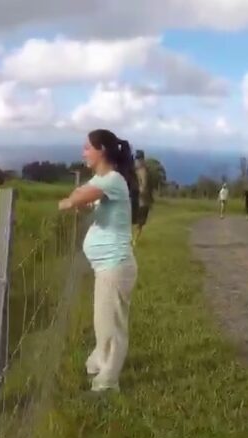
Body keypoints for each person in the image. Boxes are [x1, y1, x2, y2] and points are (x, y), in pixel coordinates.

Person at [58, 129, 138, 393]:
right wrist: (78, 199)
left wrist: (69, 202)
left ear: (101, 150)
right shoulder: (102, 179)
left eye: (87, 147)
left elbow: (80, 196)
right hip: (106, 266)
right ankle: (98, 364)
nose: (83, 152)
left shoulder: (113, 179)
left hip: (115, 265)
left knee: (112, 327)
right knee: (103, 321)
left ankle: (107, 383)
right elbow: (85, 196)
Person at [132, 150, 153, 246]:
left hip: (141, 200)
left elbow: (143, 186)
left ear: (142, 160)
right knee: (136, 221)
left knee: (139, 222)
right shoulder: (137, 170)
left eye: (138, 159)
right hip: (138, 200)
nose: (137, 161)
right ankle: (132, 240)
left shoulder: (143, 171)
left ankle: (134, 240)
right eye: (136, 159)